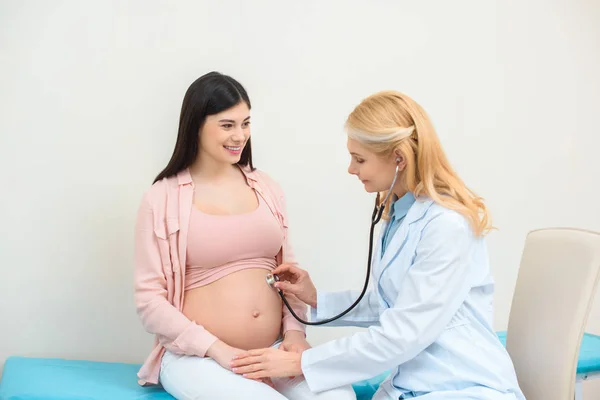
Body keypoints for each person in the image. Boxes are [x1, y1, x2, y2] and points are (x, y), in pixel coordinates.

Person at [230, 90, 526, 400]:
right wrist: (317, 299)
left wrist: (302, 362)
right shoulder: (400, 213)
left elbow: (403, 332)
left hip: (463, 384)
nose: (351, 169)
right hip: (414, 383)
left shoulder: (447, 225)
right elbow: (393, 303)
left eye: (359, 159)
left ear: (399, 158)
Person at [133, 71, 356, 400]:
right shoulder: (162, 198)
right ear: (196, 124)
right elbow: (149, 300)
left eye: (246, 123)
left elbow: (288, 272)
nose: (240, 136)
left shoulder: (265, 186)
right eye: (227, 125)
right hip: (199, 357)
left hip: (274, 349)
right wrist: (218, 349)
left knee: (340, 398)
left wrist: (294, 334)